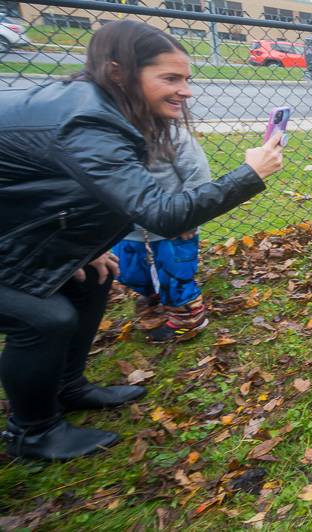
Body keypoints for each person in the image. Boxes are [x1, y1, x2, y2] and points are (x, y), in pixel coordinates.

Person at [0, 20, 284, 461]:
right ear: (119, 73)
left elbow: (66, 194)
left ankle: (68, 387)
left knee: (93, 277)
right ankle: (32, 433)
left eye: (186, 78)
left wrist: (83, 250)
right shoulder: (86, 120)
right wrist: (250, 175)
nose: (185, 91)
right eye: (170, 78)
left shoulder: (107, 113)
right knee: (43, 319)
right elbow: (157, 213)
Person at [112, 127, 211, 343]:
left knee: (175, 274)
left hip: (173, 227)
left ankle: (188, 317)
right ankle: (155, 295)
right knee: (128, 271)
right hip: (128, 228)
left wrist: (189, 217)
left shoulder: (173, 135)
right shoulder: (108, 133)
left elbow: (199, 175)